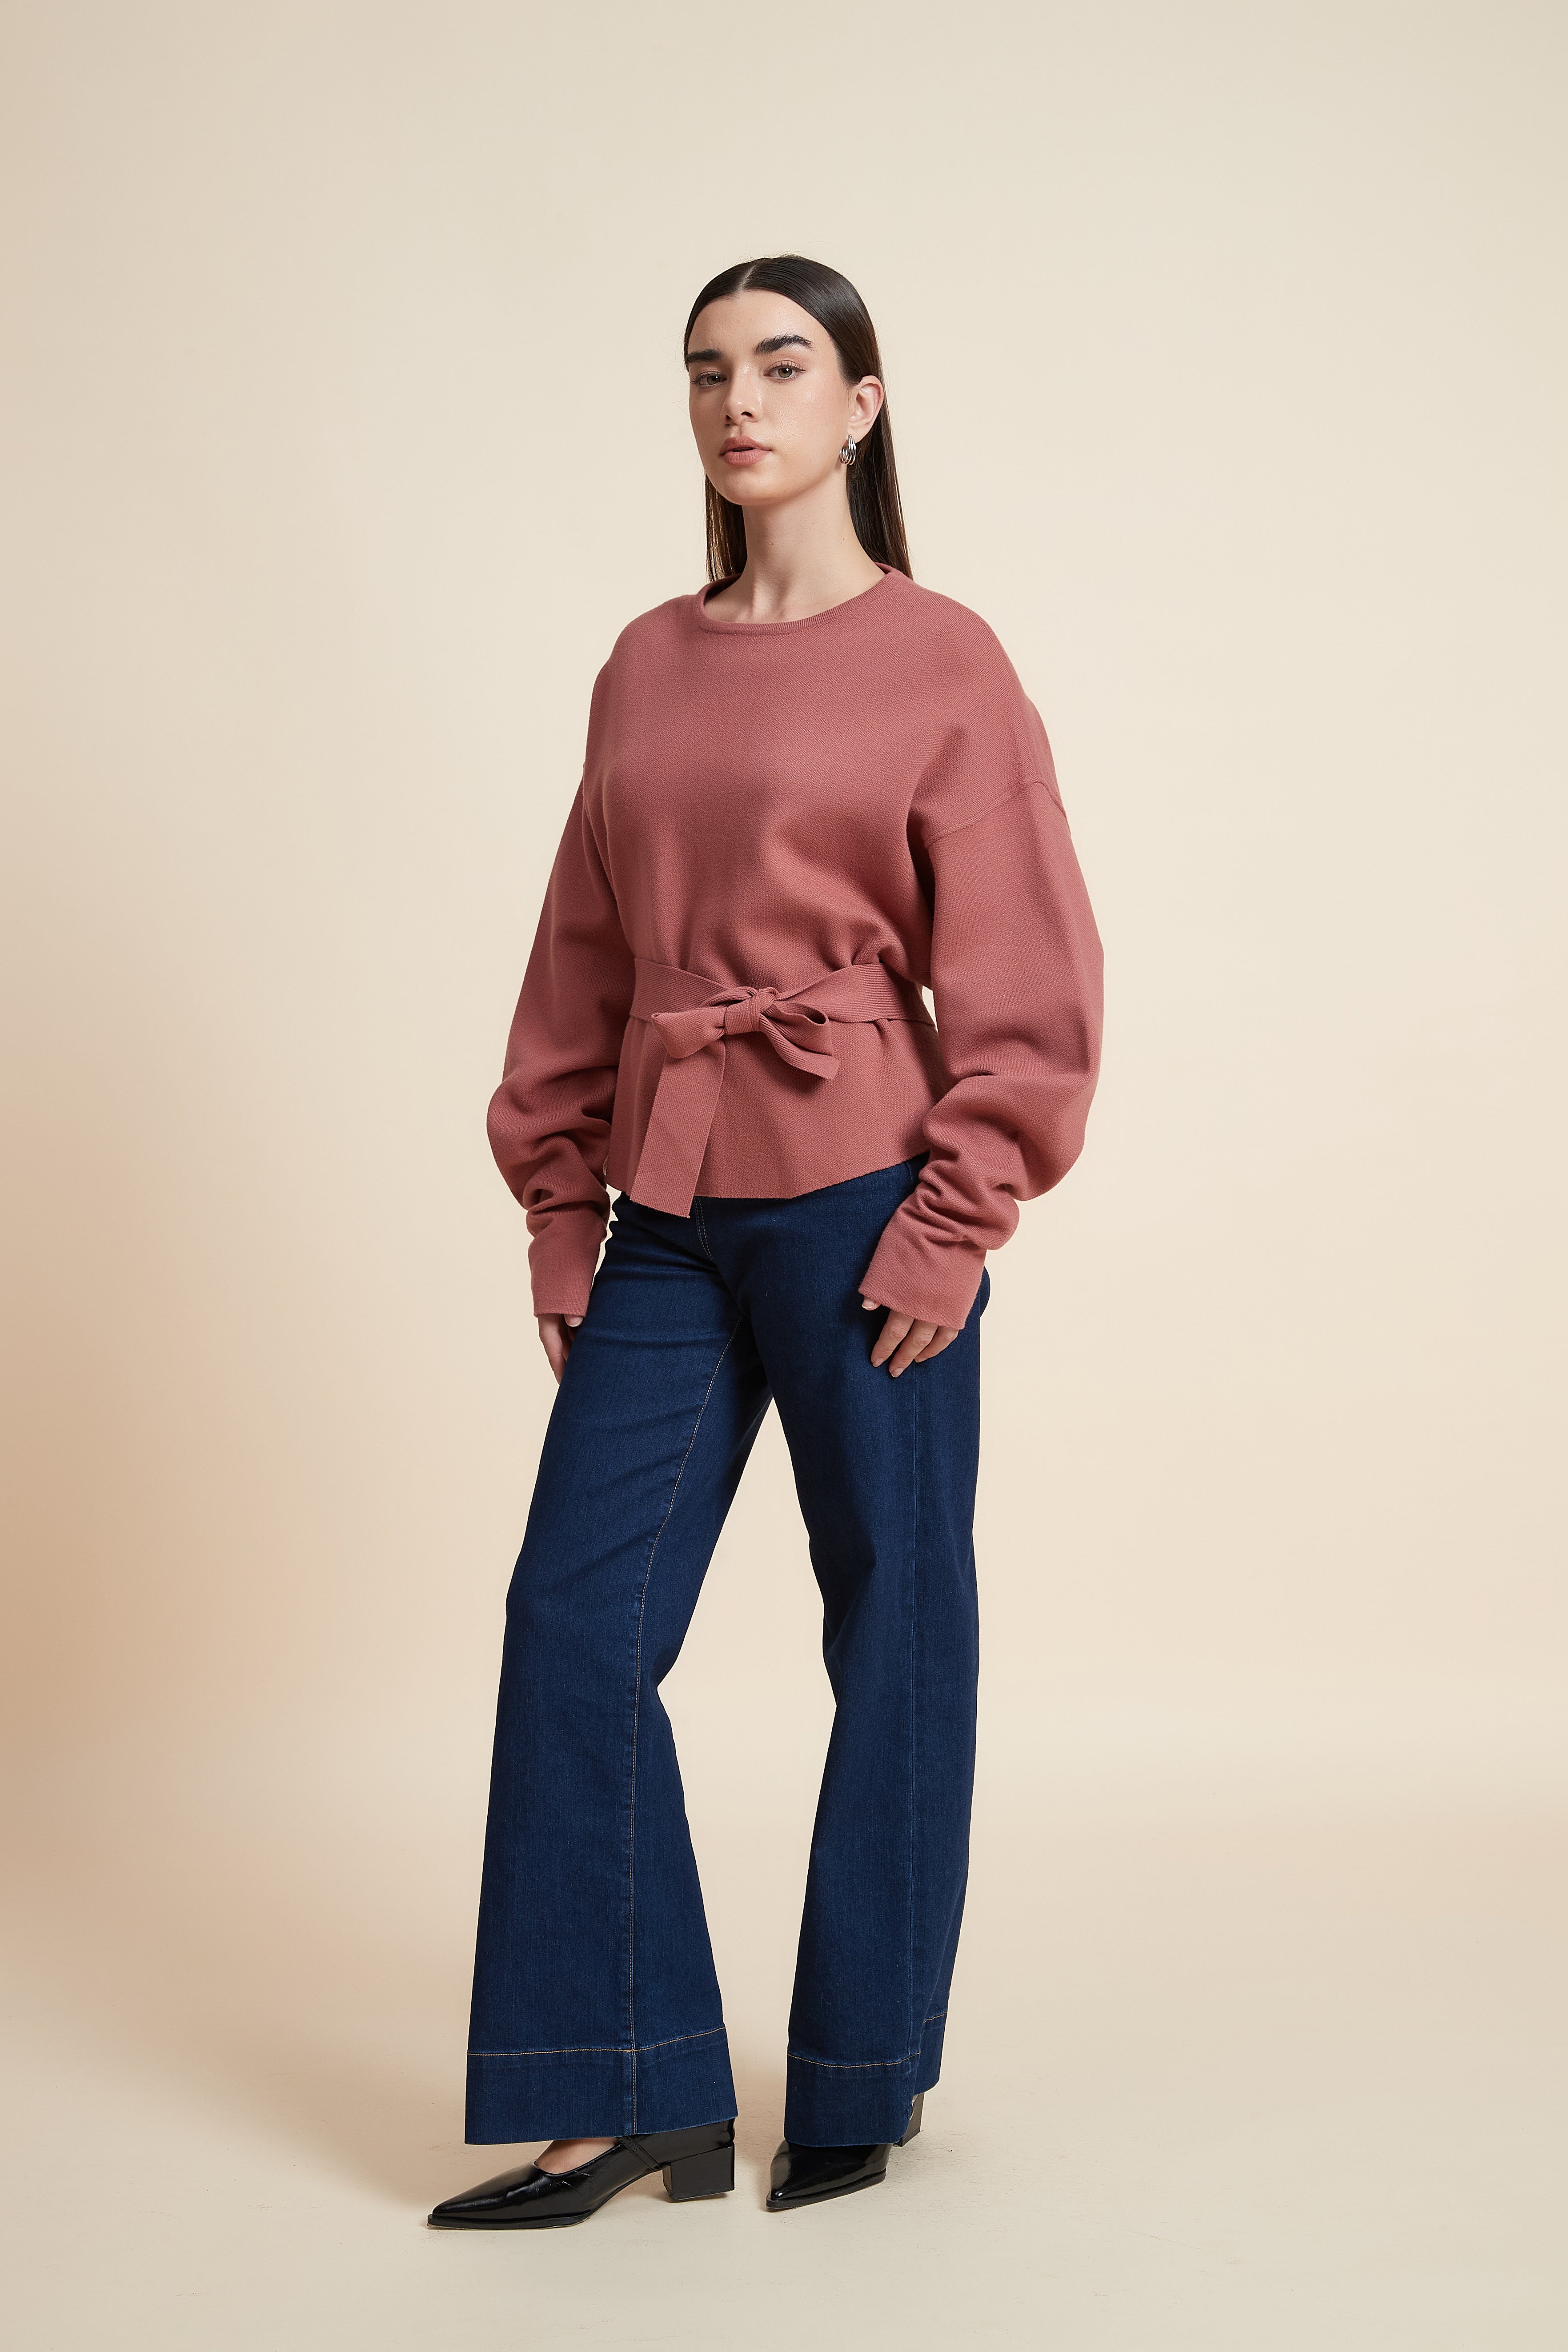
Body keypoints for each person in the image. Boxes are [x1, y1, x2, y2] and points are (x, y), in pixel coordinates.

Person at [428, 253, 1103, 2230]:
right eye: (708, 369)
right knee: (574, 1620)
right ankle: (625, 2087)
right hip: (668, 1208)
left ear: (861, 405)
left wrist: (955, 1221)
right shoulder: (644, 663)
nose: (740, 401)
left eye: (784, 365)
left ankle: (859, 2076)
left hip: (871, 1200)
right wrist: (561, 1203)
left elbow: (1030, 970)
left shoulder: (946, 660)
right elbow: (583, 945)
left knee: (895, 1622)